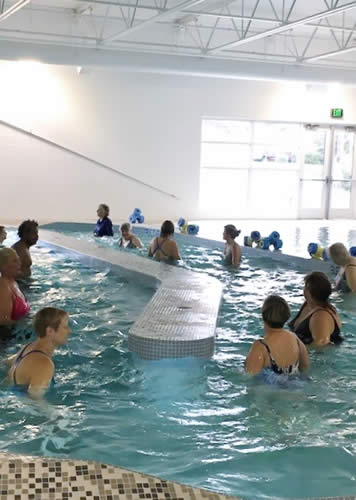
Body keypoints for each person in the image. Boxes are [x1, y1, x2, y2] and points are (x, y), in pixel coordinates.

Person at [7, 307, 71, 398]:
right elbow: (36, 402)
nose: (69, 331)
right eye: (65, 327)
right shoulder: (44, 364)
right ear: (50, 331)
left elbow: (6, 362)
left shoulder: (27, 348)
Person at [245, 295, 309, 376]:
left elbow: (249, 378)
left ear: (263, 316)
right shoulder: (295, 339)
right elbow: (305, 366)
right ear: (286, 315)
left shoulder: (261, 347)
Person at [289, 271, 342, 346]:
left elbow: (321, 346)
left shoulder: (321, 316)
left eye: (305, 287)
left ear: (308, 292)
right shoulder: (307, 306)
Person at [0, 248, 30, 331]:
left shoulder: (13, 283)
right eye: (14, 261)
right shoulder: (3, 287)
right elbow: (3, 321)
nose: (19, 263)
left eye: (18, 260)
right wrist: (29, 327)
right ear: (3, 267)